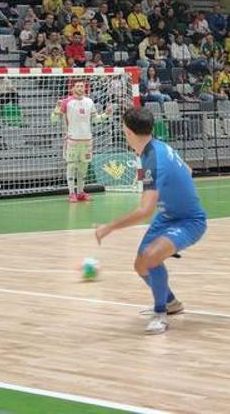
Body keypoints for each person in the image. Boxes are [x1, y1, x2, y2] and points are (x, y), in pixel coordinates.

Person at [94, 107, 207, 335]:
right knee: (140, 265)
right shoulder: (157, 146)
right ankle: (172, 303)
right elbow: (188, 169)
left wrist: (109, 227)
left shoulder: (153, 160)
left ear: (127, 132)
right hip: (167, 217)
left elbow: (145, 210)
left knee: (151, 257)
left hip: (189, 221)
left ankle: (160, 313)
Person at [50, 80, 114, 202]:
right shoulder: (66, 102)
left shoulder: (89, 102)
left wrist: (106, 114)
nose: (80, 88)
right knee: (72, 165)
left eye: (82, 86)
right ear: (72, 88)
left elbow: (95, 120)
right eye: (77, 86)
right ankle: (71, 193)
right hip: (72, 139)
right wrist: (57, 107)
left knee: (83, 167)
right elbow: (54, 119)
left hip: (87, 140)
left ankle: (81, 192)